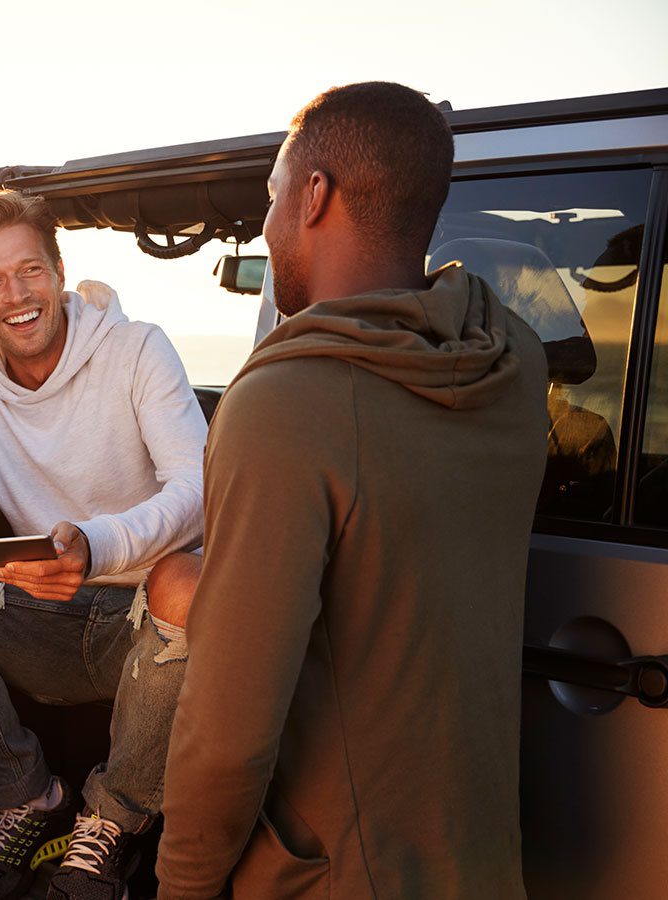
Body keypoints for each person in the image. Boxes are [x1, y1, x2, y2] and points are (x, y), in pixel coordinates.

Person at [155, 81, 549, 899]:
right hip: (476, 857)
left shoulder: (285, 405)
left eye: (269, 198)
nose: (266, 226)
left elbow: (228, 732)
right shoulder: (512, 363)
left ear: (313, 194)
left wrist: (182, 883)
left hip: (335, 873)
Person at [0, 189, 209, 900]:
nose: (16, 294)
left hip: (154, 631)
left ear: (58, 273)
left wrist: (95, 545)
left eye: (30, 271)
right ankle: (24, 797)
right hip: (42, 619)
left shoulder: (137, 348)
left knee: (188, 579)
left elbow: (199, 490)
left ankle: (108, 827)